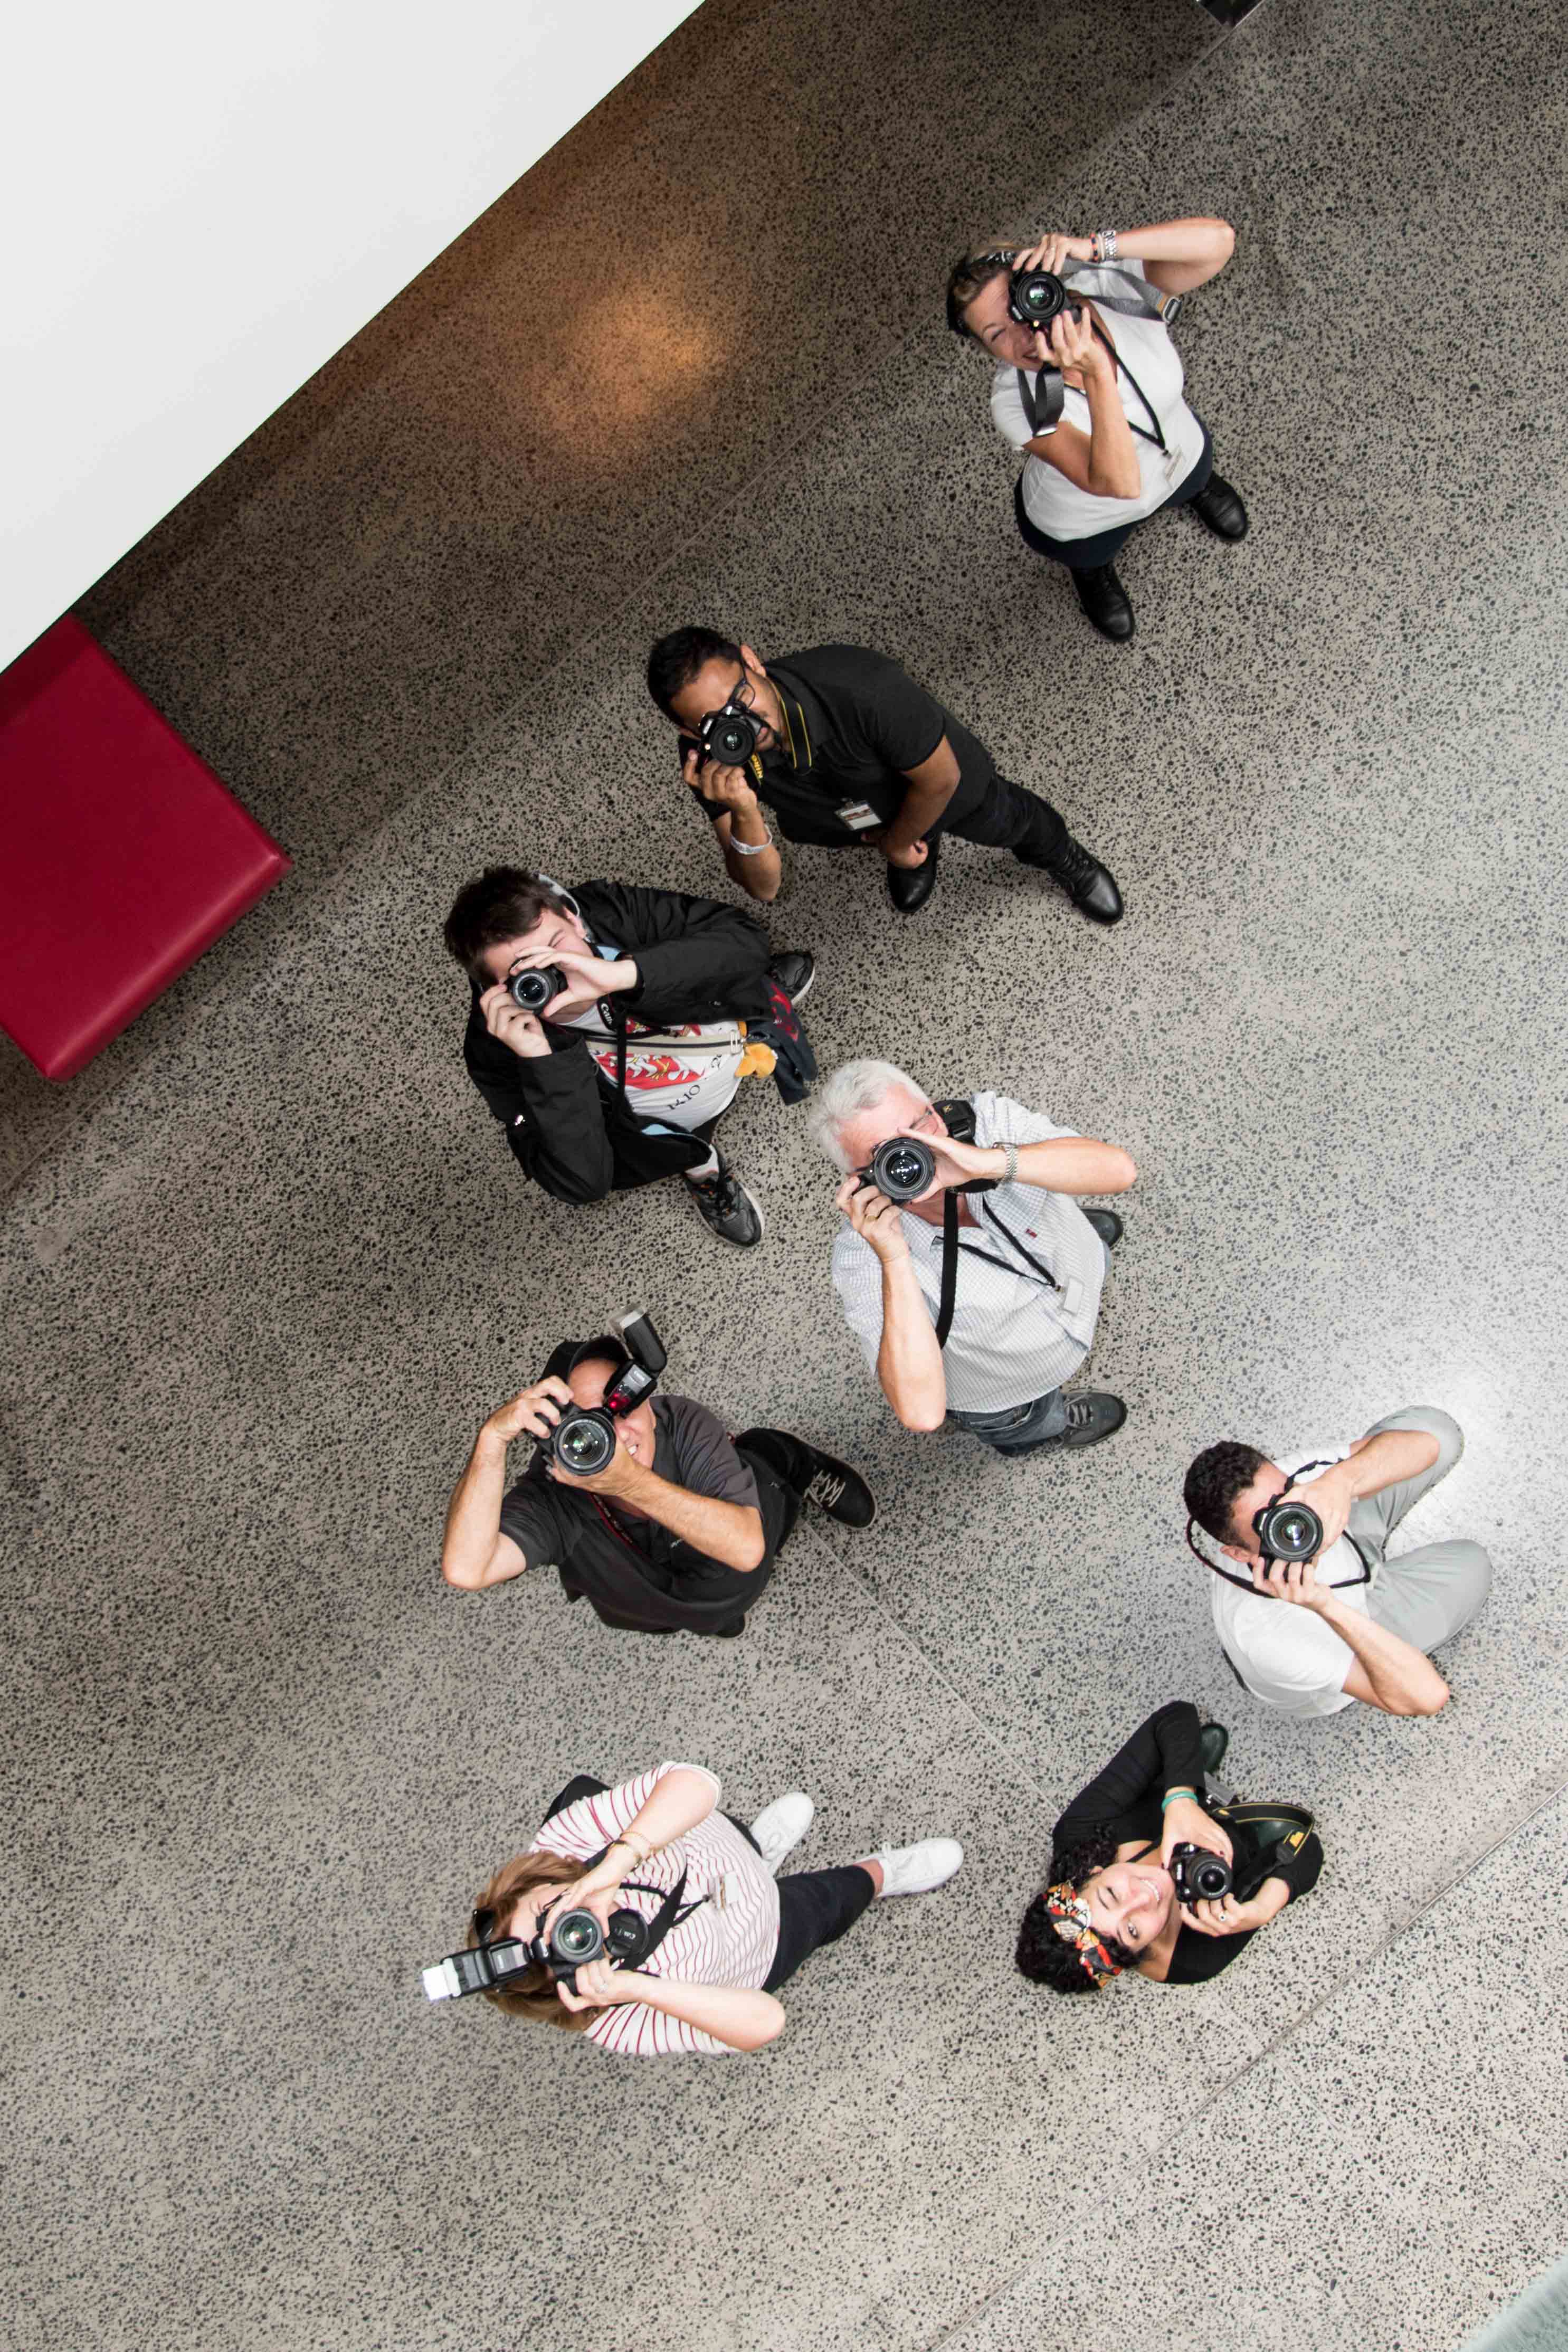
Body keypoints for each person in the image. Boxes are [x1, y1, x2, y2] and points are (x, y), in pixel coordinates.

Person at [461, 1760, 964, 2054]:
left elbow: (696, 1782)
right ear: (561, 1988)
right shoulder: (614, 2019)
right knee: (829, 1902)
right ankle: (879, 1875)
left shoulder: (563, 1843)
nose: (573, 1930)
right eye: (562, 1950)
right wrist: (629, 1986)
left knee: (740, 1844)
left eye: (549, 1910)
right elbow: (764, 2022)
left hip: (718, 1849)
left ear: (534, 1883)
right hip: (763, 1940)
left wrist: (618, 1861)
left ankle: (762, 1853)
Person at [443, 864, 818, 1248]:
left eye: (555, 946)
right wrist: (544, 1061)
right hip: (665, 1122)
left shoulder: (607, 913)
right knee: (688, 1147)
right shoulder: (494, 1050)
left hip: (716, 1025)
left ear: (575, 921)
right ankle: (702, 1170)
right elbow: (584, 1182)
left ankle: (759, 992)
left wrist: (627, 974)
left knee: (741, 969)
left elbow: (744, 938)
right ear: (498, 990)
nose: (553, 970)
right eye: (526, 973)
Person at [645, 625, 1120, 922]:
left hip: (946, 789)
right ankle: (917, 849)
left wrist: (897, 843)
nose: (741, 725)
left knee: (1007, 820)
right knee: (898, 838)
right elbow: (764, 888)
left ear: (752, 662)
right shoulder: (704, 759)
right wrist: (742, 811)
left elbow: (940, 779)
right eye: (714, 722)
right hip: (851, 821)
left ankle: (1062, 855)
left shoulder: (860, 686)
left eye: (740, 698)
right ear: (688, 729)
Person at [441, 1331, 875, 1636]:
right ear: (554, 1442)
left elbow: (745, 1547)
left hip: (751, 1525)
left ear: (649, 1402)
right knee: (708, 1612)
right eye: (585, 1429)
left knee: (771, 1485)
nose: (616, 1434)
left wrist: (628, 1483)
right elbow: (466, 1569)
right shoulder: (553, 1496)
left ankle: (800, 1464)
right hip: (666, 1609)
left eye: (621, 1407)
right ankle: (715, 1614)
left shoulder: (678, 1420)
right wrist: (491, 1439)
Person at [809, 1057, 1135, 1456]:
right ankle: (1051, 1426)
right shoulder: (862, 1256)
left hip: (1075, 1262)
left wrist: (993, 1163)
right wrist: (893, 1257)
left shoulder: (986, 1125)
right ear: (858, 1179)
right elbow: (921, 1413)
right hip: (1012, 1389)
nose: (914, 1153)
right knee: (1029, 1422)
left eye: (917, 1128)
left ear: (936, 1111)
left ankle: (1071, 1230)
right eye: (887, 1155)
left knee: (1079, 1231)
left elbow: (1119, 1171)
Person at [945, 218, 1244, 643]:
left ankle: (1195, 489)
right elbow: (1117, 484)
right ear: (987, 351)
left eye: (1021, 306)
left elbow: (1218, 241)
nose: (1023, 335)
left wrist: (1093, 249)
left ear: (1047, 284)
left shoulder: (1115, 291)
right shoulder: (1018, 401)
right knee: (1089, 551)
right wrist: (1095, 371)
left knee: (1194, 479)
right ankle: (1091, 573)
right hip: (1085, 515)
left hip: (1179, 449)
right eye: (997, 335)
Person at [1183, 1407, 1493, 1719]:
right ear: (1240, 1554)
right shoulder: (1267, 1635)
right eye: (1271, 1526)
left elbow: (1428, 1445)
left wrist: (1340, 1482)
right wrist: (1325, 1606)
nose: (1295, 1517)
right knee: (1473, 1565)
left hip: (1352, 1547)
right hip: (1346, 1620)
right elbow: (1427, 1697)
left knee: (1436, 1429)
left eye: (1289, 1495)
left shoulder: (1286, 1483)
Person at [1015, 1701, 1323, 1993]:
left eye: (1111, 1895)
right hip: (1242, 1853)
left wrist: (1180, 1799)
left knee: (1178, 1755)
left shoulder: (1080, 1833)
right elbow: (1310, 1853)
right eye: (1132, 1930)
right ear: (1139, 1953)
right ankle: (1210, 1794)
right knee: (1276, 1842)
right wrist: (1261, 1910)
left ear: (1091, 1873)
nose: (1142, 1898)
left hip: (1166, 1801)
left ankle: (1188, 1779)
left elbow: (1177, 1716)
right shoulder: (1192, 1959)